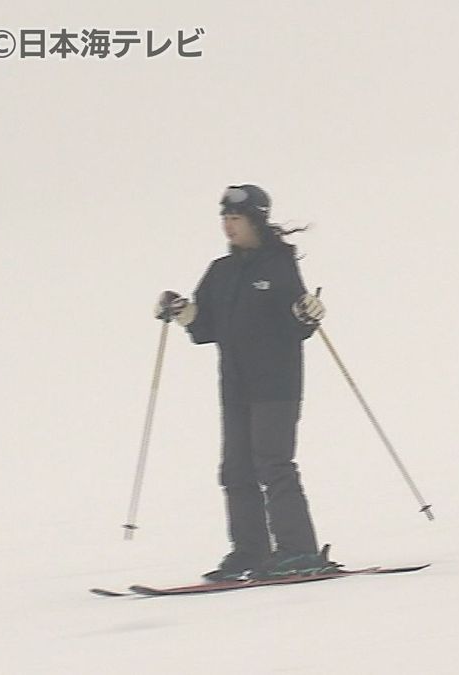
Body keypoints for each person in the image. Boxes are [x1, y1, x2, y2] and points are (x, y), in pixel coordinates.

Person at [155, 184, 331, 581]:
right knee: (235, 469)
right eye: (225, 219)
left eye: (235, 219)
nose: (228, 227)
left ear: (256, 221)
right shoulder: (222, 271)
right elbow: (205, 327)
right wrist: (181, 312)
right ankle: (250, 551)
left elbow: (296, 322)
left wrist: (307, 314)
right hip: (235, 384)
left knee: (273, 462)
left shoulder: (278, 266)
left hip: (276, 383)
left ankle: (299, 550)